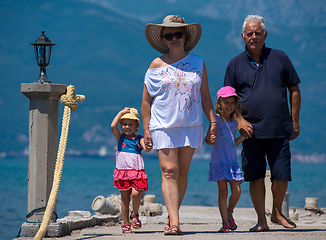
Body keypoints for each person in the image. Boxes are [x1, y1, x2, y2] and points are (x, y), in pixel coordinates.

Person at [224, 15, 301, 232]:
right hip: (250, 132)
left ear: (265, 34)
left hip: (278, 128)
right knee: (255, 176)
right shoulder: (235, 64)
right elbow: (226, 99)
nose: (254, 36)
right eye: (249, 33)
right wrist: (238, 120)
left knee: (282, 175)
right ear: (243, 36)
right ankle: (262, 220)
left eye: (258, 32)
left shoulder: (280, 58)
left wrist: (294, 121)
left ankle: (277, 212)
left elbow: (294, 89)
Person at [141, 15, 217, 235]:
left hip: (190, 125)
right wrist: (146, 130)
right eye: (169, 35)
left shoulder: (198, 63)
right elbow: (146, 101)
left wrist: (213, 121)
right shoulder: (155, 65)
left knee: (182, 173)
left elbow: (205, 96)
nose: (174, 38)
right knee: (169, 170)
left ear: (185, 36)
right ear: (164, 39)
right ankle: (175, 222)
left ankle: (172, 214)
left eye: (178, 34)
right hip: (162, 125)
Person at [208, 86, 246, 232]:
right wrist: (210, 138)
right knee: (222, 192)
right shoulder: (215, 120)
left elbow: (232, 142)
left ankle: (229, 212)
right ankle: (224, 223)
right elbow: (209, 138)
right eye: (226, 103)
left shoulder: (235, 122)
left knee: (237, 192)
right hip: (219, 162)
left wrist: (243, 137)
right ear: (219, 104)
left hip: (232, 163)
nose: (229, 106)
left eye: (232, 103)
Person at [111, 107, 152, 234]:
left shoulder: (139, 138)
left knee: (135, 194)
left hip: (136, 172)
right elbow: (113, 126)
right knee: (124, 199)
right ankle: (125, 223)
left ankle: (134, 214)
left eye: (130, 124)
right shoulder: (120, 137)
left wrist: (149, 144)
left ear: (136, 126)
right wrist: (121, 113)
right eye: (124, 124)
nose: (126, 127)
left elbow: (147, 148)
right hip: (122, 172)